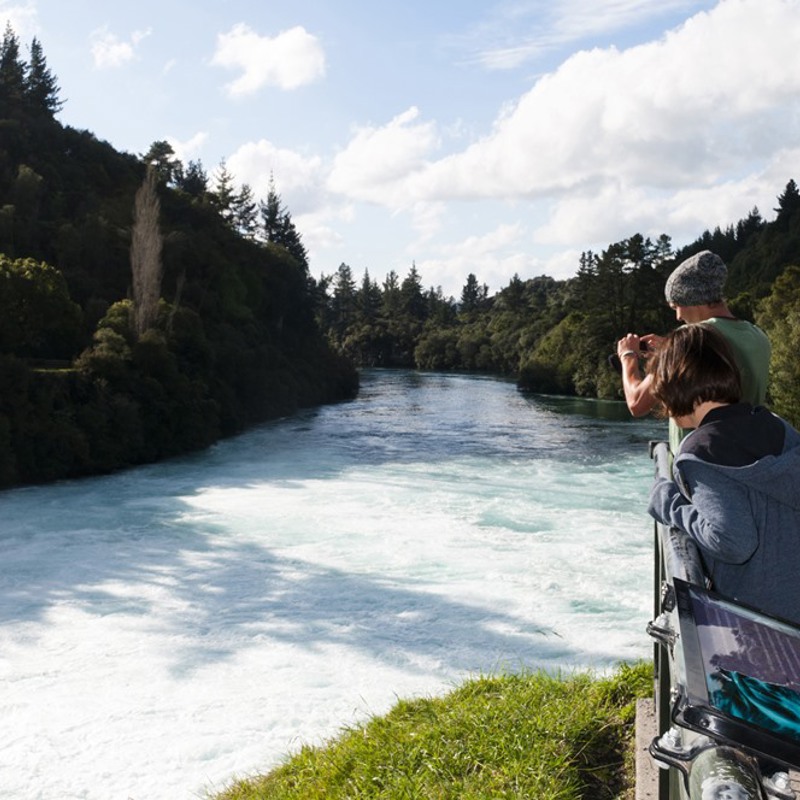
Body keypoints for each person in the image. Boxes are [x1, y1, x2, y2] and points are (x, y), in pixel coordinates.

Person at [646, 324, 800, 623]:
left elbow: (731, 541)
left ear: (674, 385)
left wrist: (670, 504)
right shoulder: (776, 426)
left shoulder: (700, 453)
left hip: (763, 624)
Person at [616, 250, 771, 453]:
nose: (678, 316)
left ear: (691, 298)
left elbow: (637, 403)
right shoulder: (758, 336)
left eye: (676, 306)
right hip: (747, 457)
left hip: (698, 464)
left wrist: (628, 357)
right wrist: (670, 353)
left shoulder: (690, 338)